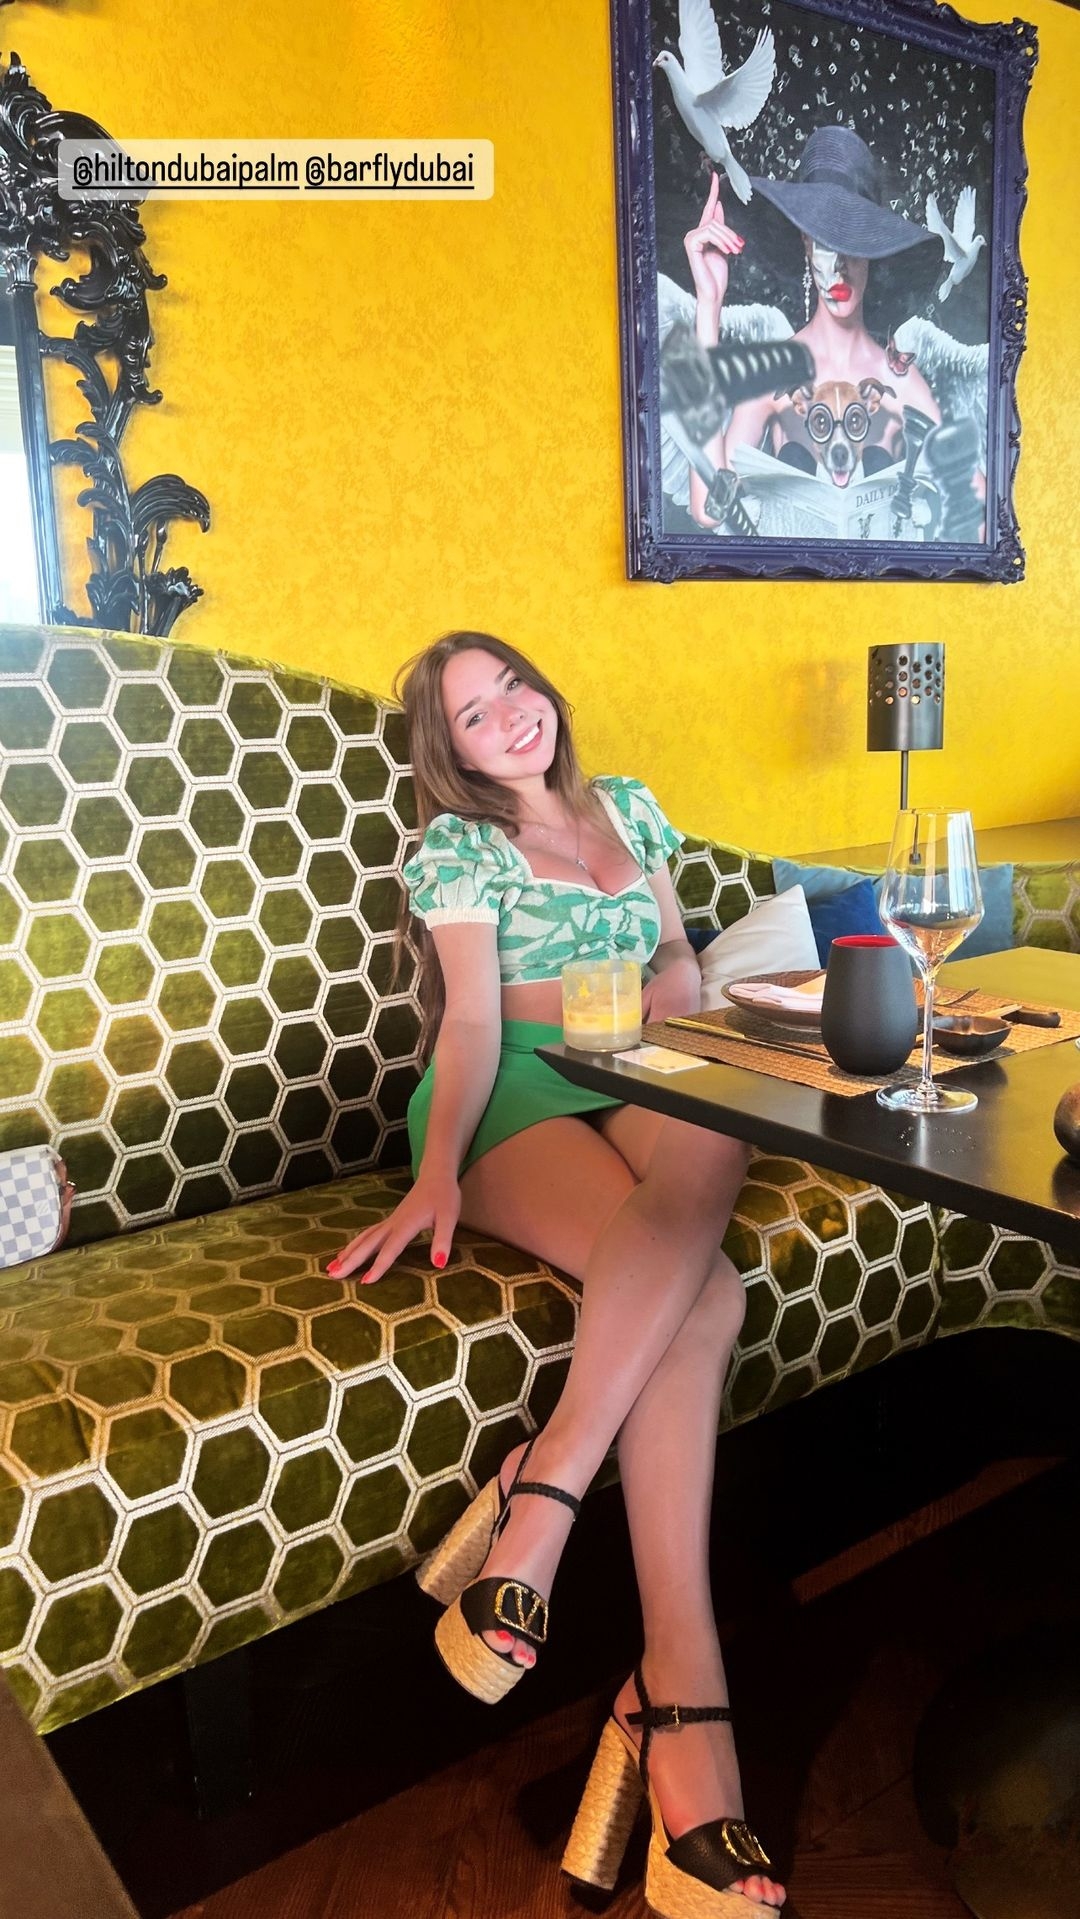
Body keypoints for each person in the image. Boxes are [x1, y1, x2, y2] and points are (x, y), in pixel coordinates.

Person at [329, 631, 787, 1916]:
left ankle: (541, 1490)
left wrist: (695, 1026)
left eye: (512, 687)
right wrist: (435, 1172)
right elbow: (473, 1022)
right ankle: (680, 1701)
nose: (508, 716)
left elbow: (676, 957)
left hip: (640, 1066)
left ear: (544, 690)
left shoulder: (626, 806)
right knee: (711, 1295)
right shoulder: (460, 848)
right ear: (454, 752)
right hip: (520, 1091)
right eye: (474, 715)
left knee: (723, 1128)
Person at [683, 125, 944, 526]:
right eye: (824, 244)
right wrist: (709, 305)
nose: (838, 267)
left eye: (852, 246)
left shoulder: (902, 382)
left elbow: (974, 511)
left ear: (872, 253)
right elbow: (709, 509)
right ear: (805, 244)